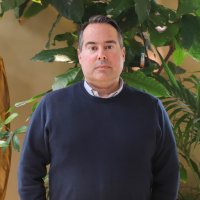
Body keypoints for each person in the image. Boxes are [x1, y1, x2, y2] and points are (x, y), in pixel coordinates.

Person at [18, 15, 179, 200]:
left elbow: (168, 176)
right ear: (80, 55)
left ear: (123, 54)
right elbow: (29, 173)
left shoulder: (151, 109)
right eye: (93, 47)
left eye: (109, 46)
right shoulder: (51, 106)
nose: (101, 54)